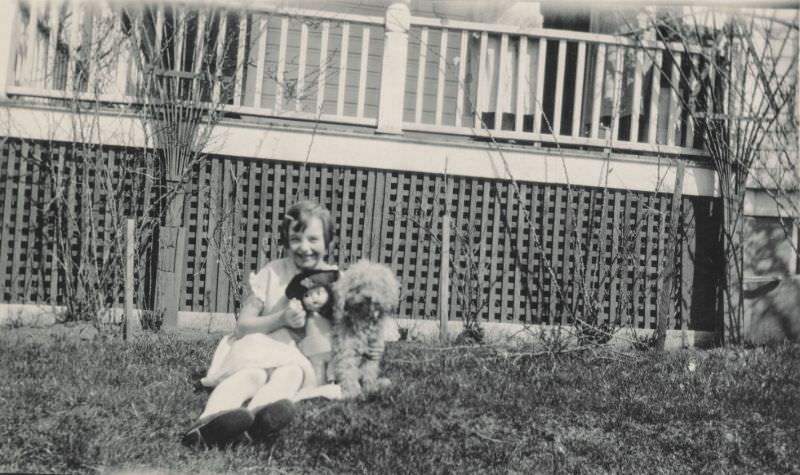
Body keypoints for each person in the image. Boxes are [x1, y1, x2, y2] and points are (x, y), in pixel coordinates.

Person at [182, 200, 339, 448]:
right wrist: (280, 319)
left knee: (291, 373)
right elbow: (243, 325)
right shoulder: (272, 273)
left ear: (329, 242)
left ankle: (256, 422)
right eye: (296, 239)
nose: (304, 247)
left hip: (300, 356)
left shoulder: (335, 280)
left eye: (313, 239)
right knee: (250, 375)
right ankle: (206, 425)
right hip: (258, 347)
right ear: (286, 241)